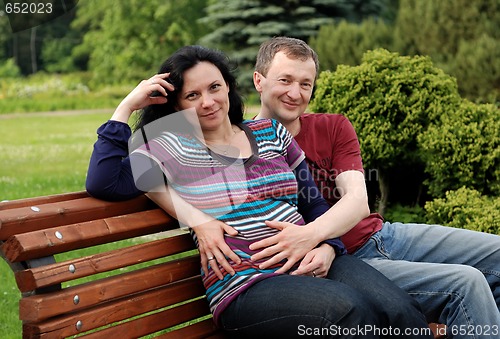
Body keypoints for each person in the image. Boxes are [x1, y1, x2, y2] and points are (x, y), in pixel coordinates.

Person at [86, 45, 433, 338]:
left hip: (311, 258)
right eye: (192, 95)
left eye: (214, 87)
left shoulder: (270, 133)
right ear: (176, 106)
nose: (207, 102)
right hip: (246, 283)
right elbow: (104, 181)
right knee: (348, 311)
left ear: (229, 88)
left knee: (400, 309)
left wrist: (328, 245)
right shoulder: (170, 148)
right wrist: (126, 106)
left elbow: (313, 204)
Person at [250, 36, 500, 337]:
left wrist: (313, 235)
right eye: (285, 80)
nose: (295, 93)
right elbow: (184, 154)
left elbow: (357, 201)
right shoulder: (244, 147)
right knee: (466, 284)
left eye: (305, 84)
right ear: (258, 81)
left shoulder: (332, 126)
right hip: (348, 263)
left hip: (384, 236)